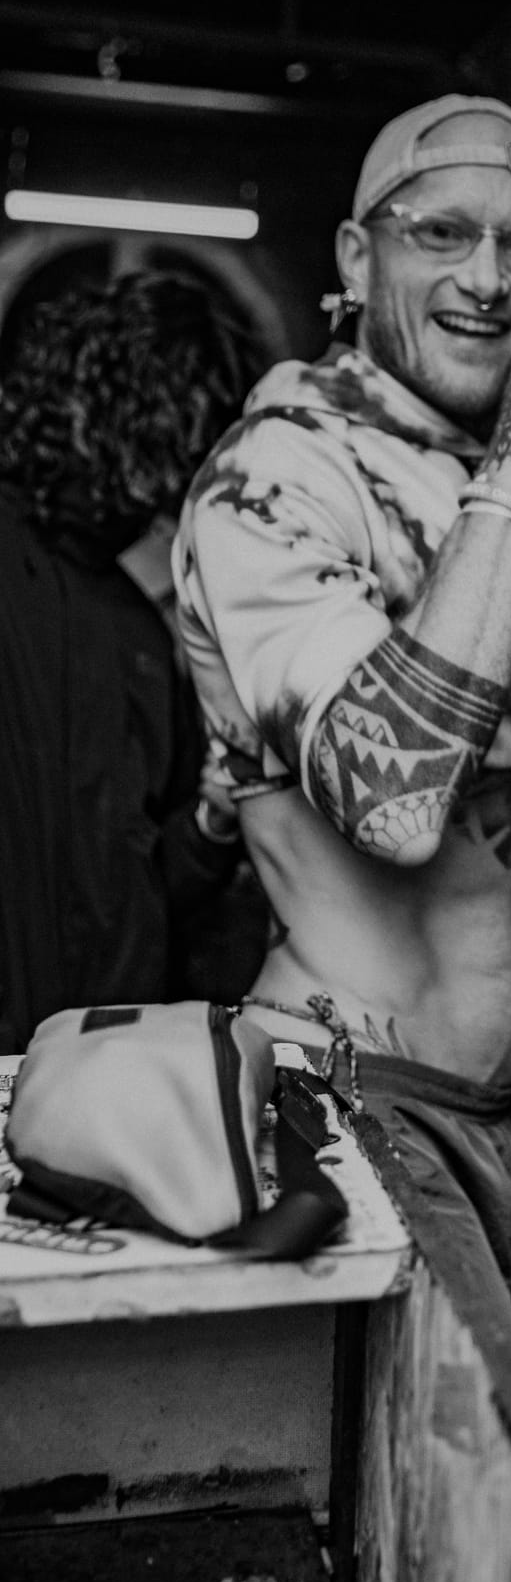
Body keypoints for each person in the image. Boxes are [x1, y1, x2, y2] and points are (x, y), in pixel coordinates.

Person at [174, 96, 511, 1298]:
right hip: (339, 1103)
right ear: (357, 259)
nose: (487, 279)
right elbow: (392, 806)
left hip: (505, 1114)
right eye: (442, 234)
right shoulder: (277, 476)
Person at [0, 270, 259, 1053]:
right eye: (161, 453)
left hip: (95, 1073)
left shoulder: (138, 635)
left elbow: (151, 893)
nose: (168, 495)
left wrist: (213, 820)